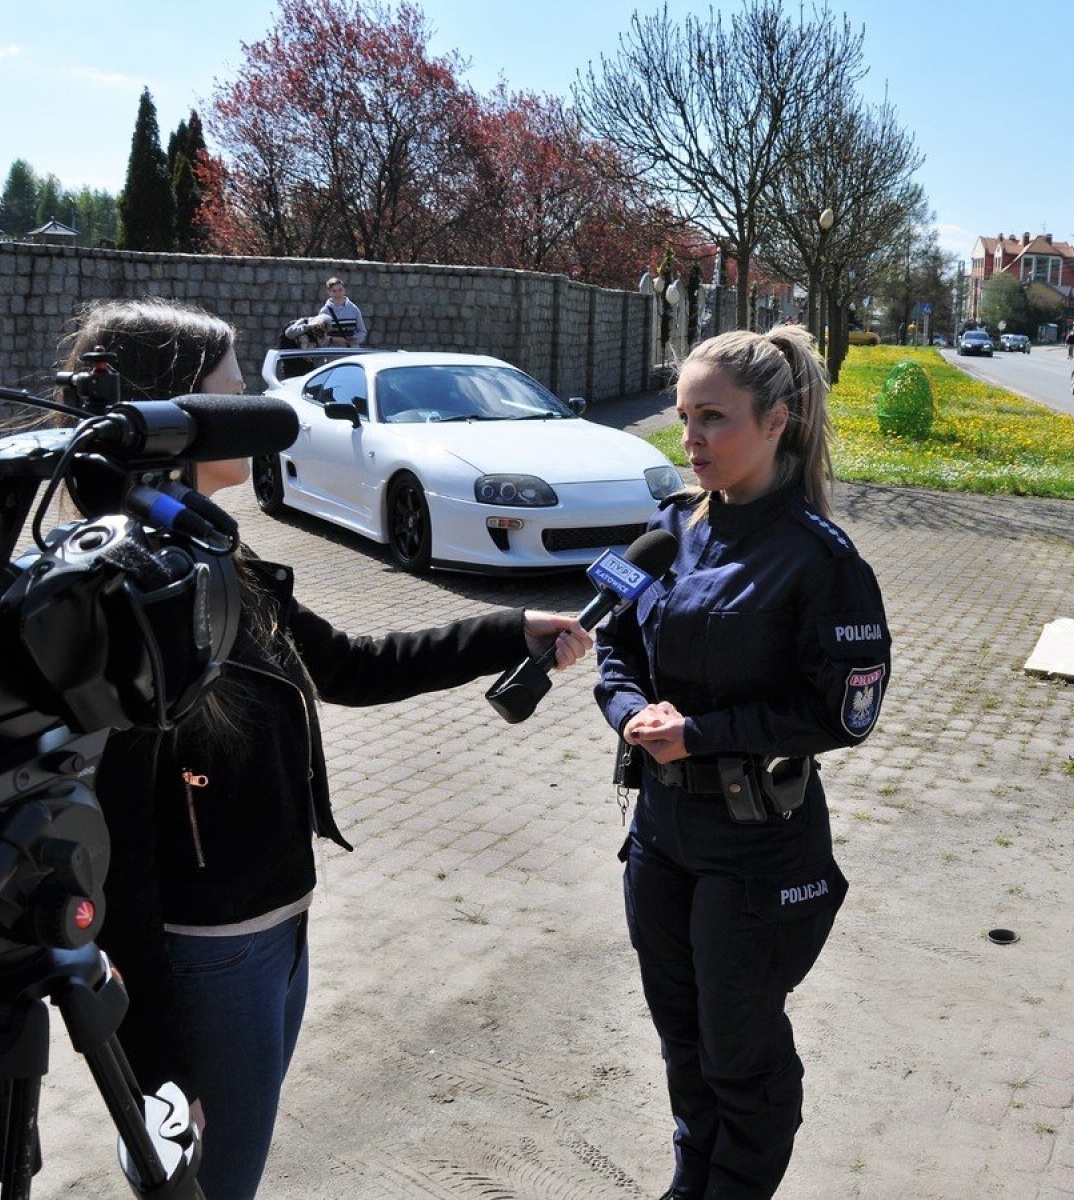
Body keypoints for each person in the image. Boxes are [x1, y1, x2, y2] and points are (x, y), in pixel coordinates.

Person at [64, 298, 593, 1199]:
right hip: (210, 954)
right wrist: (152, 1055)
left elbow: (349, 664)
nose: (266, 414)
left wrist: (512, 629)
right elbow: (115, 854)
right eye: (237, 394)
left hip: (278, 928)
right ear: (171, 417)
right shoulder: (127, 597)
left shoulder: (210, 557)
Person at [594, 325, 891, 1199]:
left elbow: (844, 713)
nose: (690, 441)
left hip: (758, 849)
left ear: (778, 422)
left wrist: (706, 733)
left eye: (713, 419)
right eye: (684, 419)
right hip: (660, 834)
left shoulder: (821, 561)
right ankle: (693, 1182)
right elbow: (614, 646)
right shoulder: (667, 532)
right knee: (682, 1039)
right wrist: (628, 712)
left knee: (740, 1052)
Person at [318, 276, 366, 347]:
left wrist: (354, 340)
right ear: (329, 293)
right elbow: (319, 335)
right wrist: (333, 339)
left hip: (351, 352)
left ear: (344, 290)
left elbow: (362, 331)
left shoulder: (354, 309)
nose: (338, 294)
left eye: (340, 290)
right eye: (334, 291)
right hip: (332, 354)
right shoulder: (324, 311)